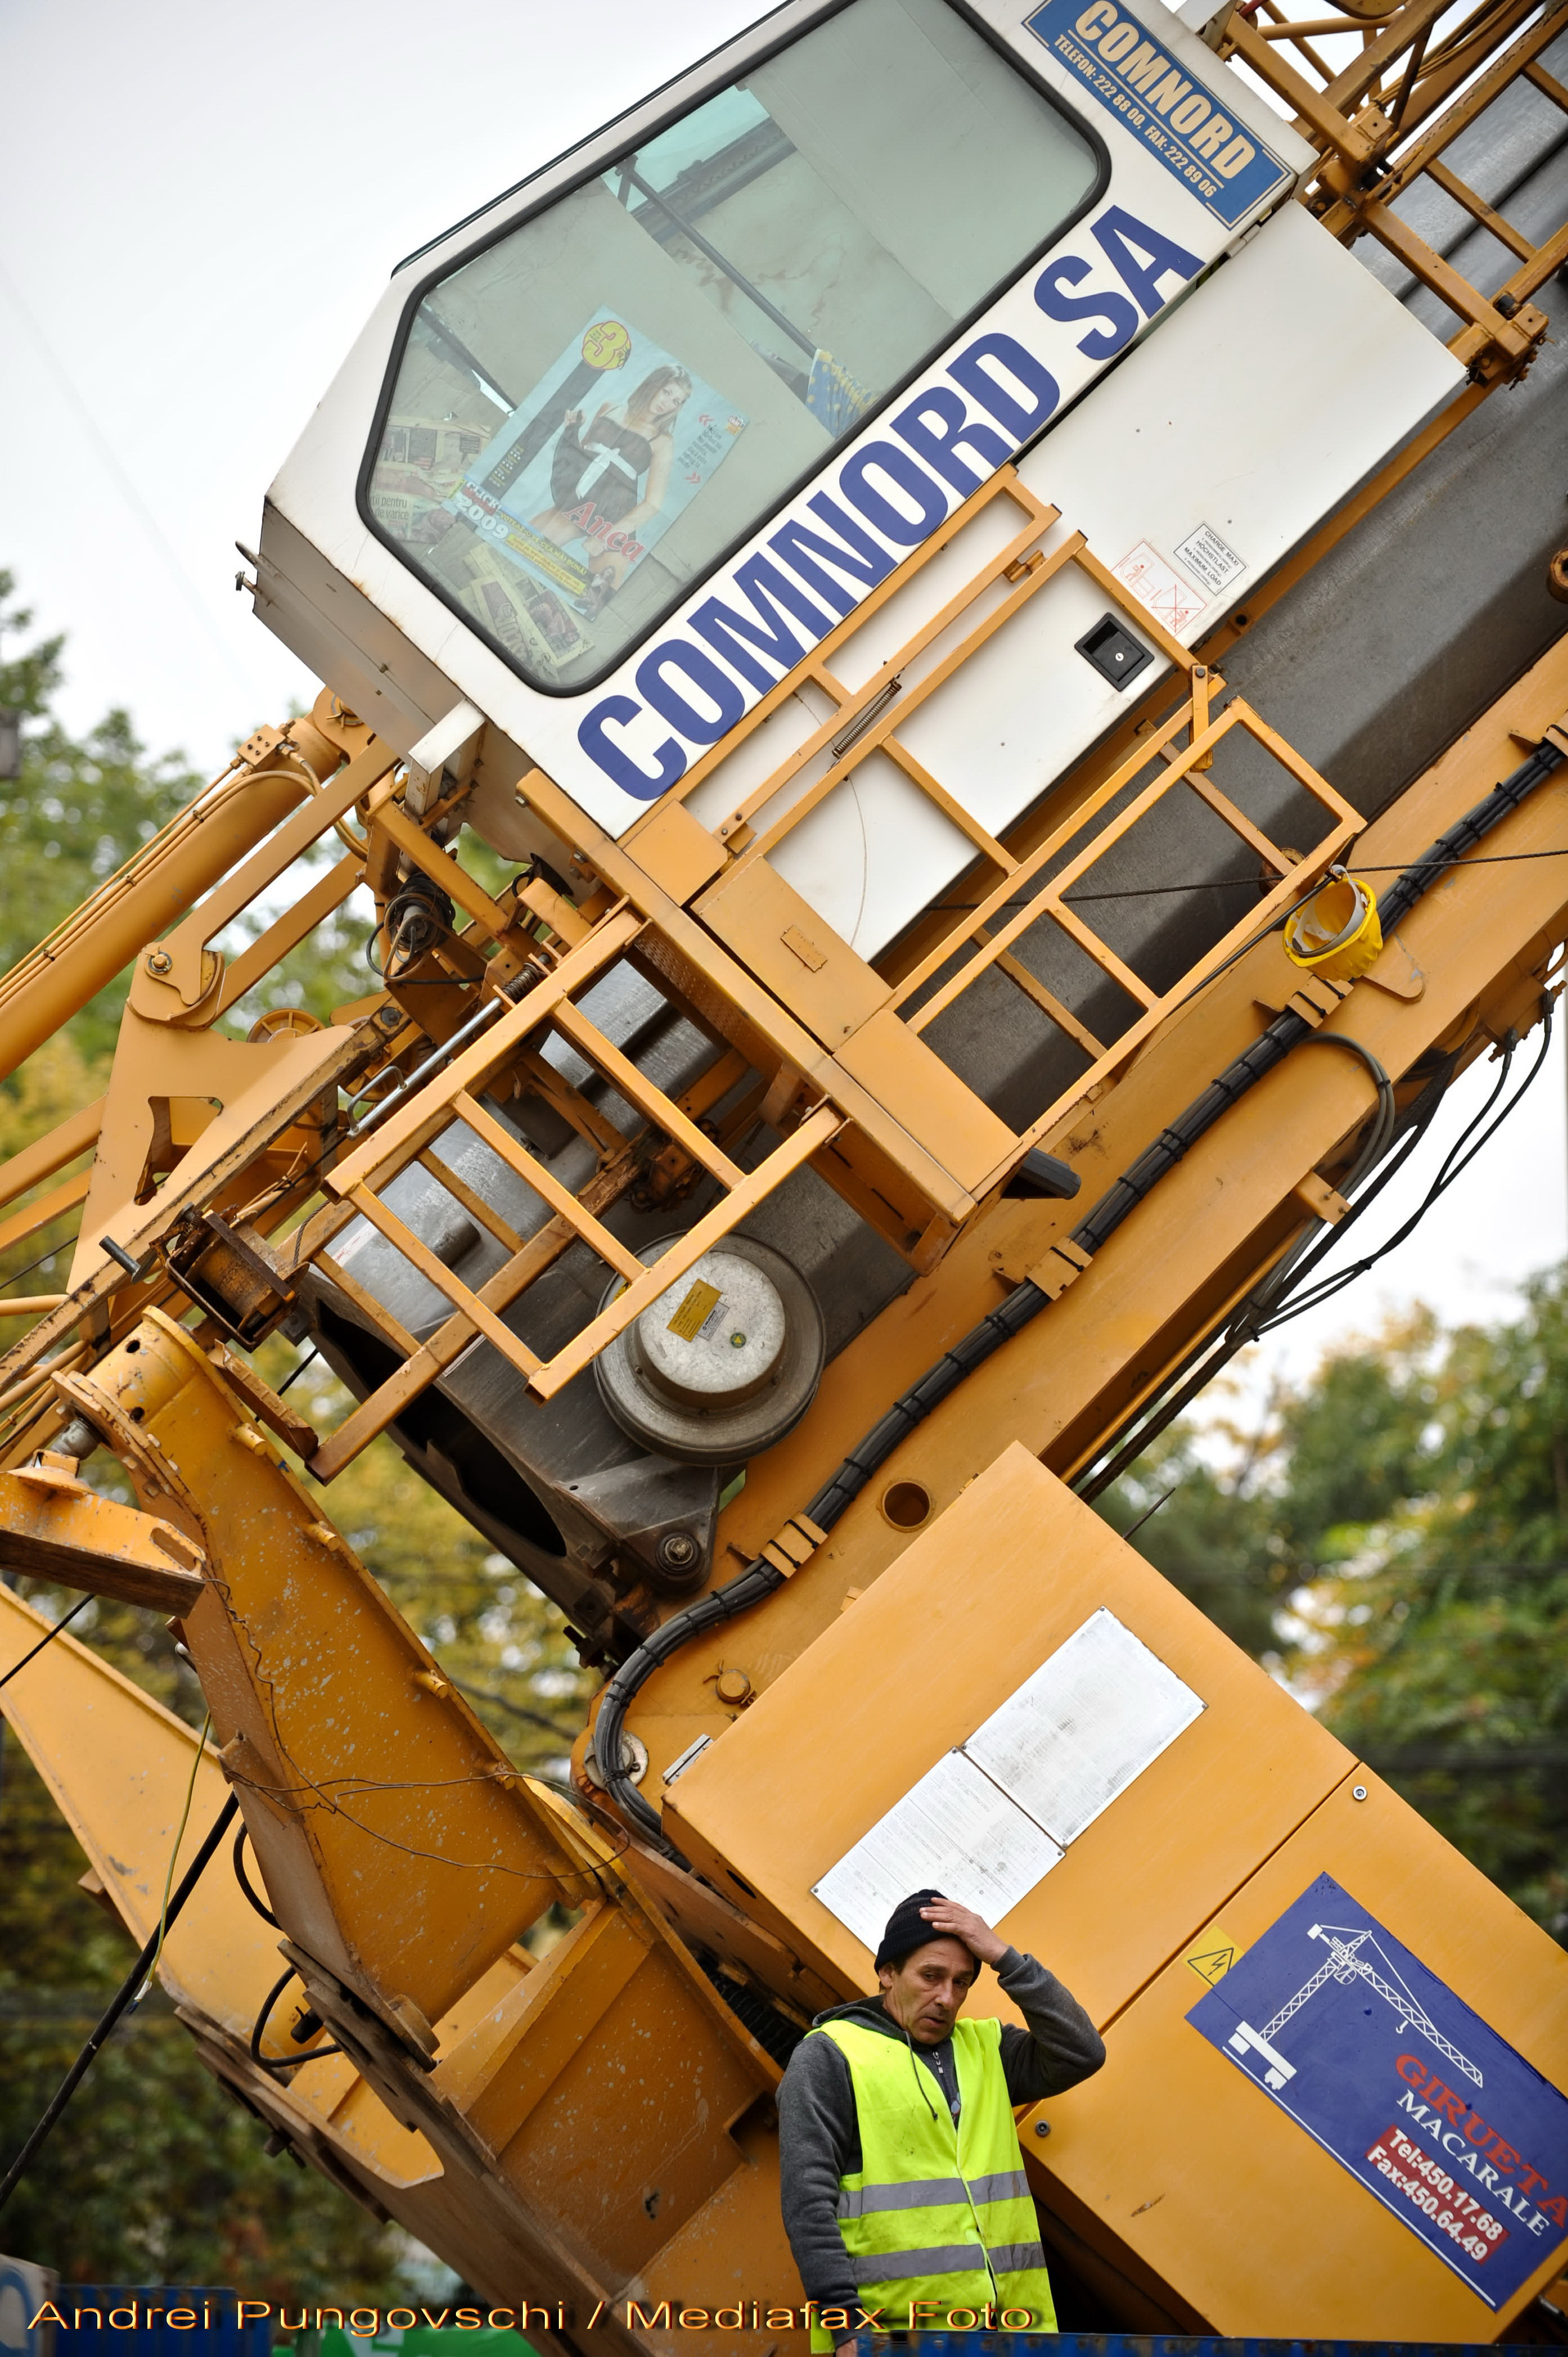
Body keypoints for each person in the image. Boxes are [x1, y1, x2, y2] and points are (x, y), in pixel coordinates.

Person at [778, 1889, 1105, 2353]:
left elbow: (1082, 2052)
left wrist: (1005, 1957)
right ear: (888, 1972)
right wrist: (844, 2325)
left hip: (1015, 2332)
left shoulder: (987, 2048)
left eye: (962, 1982)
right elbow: (807, 2201)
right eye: (931, 1976)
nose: (947, 1998)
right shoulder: (830, 2056)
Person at [529, 364, 692, 610]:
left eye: (676, 401)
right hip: (580, 505)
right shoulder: (610, 408)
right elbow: (579, 460)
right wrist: (572, 430)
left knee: (598, 598)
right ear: (654, 384)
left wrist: (607, 536)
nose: (667, 403)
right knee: (523, 545)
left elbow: (653, 503)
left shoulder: (663, 441)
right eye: (667, 392)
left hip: (616, 517)